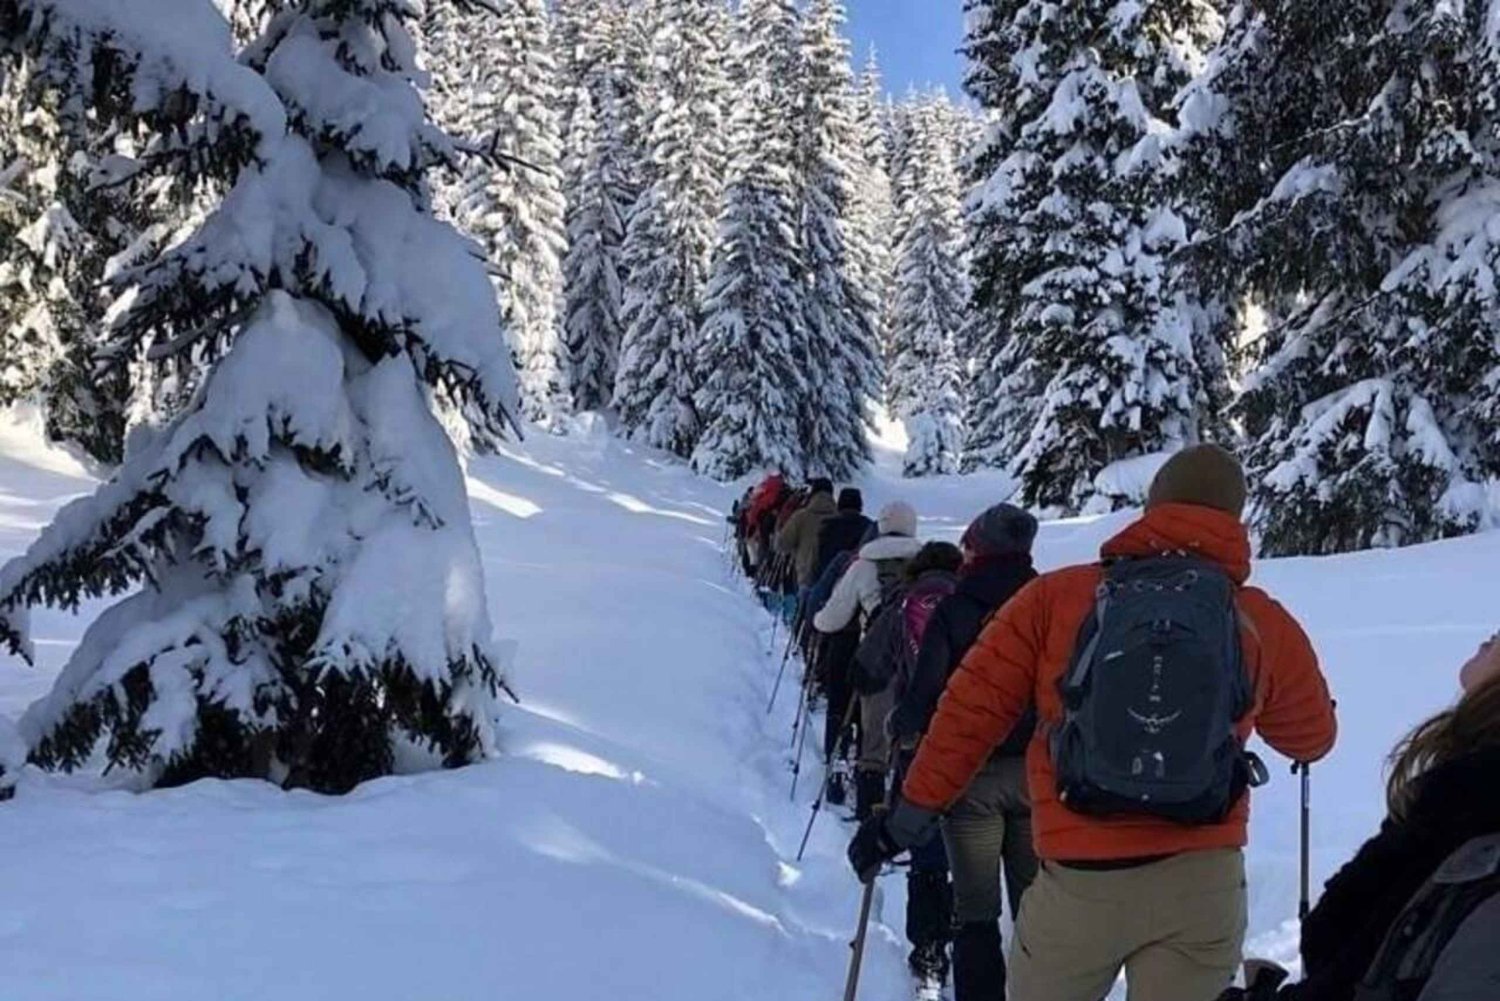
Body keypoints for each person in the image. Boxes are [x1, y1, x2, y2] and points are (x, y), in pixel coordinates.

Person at [850, 444, 1339, 1001]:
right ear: (1235, 518)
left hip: (1078, 881)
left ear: (1152, 508)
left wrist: (902, 824)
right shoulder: (1258, 618)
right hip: (1201, 885)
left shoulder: (1055, 599)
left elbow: (968, 718)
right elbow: (1312, 739)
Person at [1220, 632, 1500, 1001]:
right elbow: (1310, 735)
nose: (1492, 635)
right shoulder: (1456, 800)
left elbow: (1366, 967)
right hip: (1203, 857)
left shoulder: (1464, 809)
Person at [889, 503, 1041, 1001]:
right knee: (1036, 908)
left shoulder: (955, 608)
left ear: (978, 548)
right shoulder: (1050, 604)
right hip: (1038, 776)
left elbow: (927, 689)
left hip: (970, 777)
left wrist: (905, 729)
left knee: (976, 912)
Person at [854, 540, 965, 990]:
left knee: (927, 843)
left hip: (916, 738)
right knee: (970, 840)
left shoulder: (903, 604)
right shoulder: (971, 602)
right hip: (974, 740)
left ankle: (928, 947)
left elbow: (868, 670)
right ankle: (969, 930)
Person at [814, 500, 922, 820]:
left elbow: (833, 618)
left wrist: (818, 621)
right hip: (922, 663)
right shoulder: (926, 563)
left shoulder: (864, 565)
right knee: (911, 740)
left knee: (873, 741)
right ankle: (906, 817)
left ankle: (869, 817)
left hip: (878, 661)